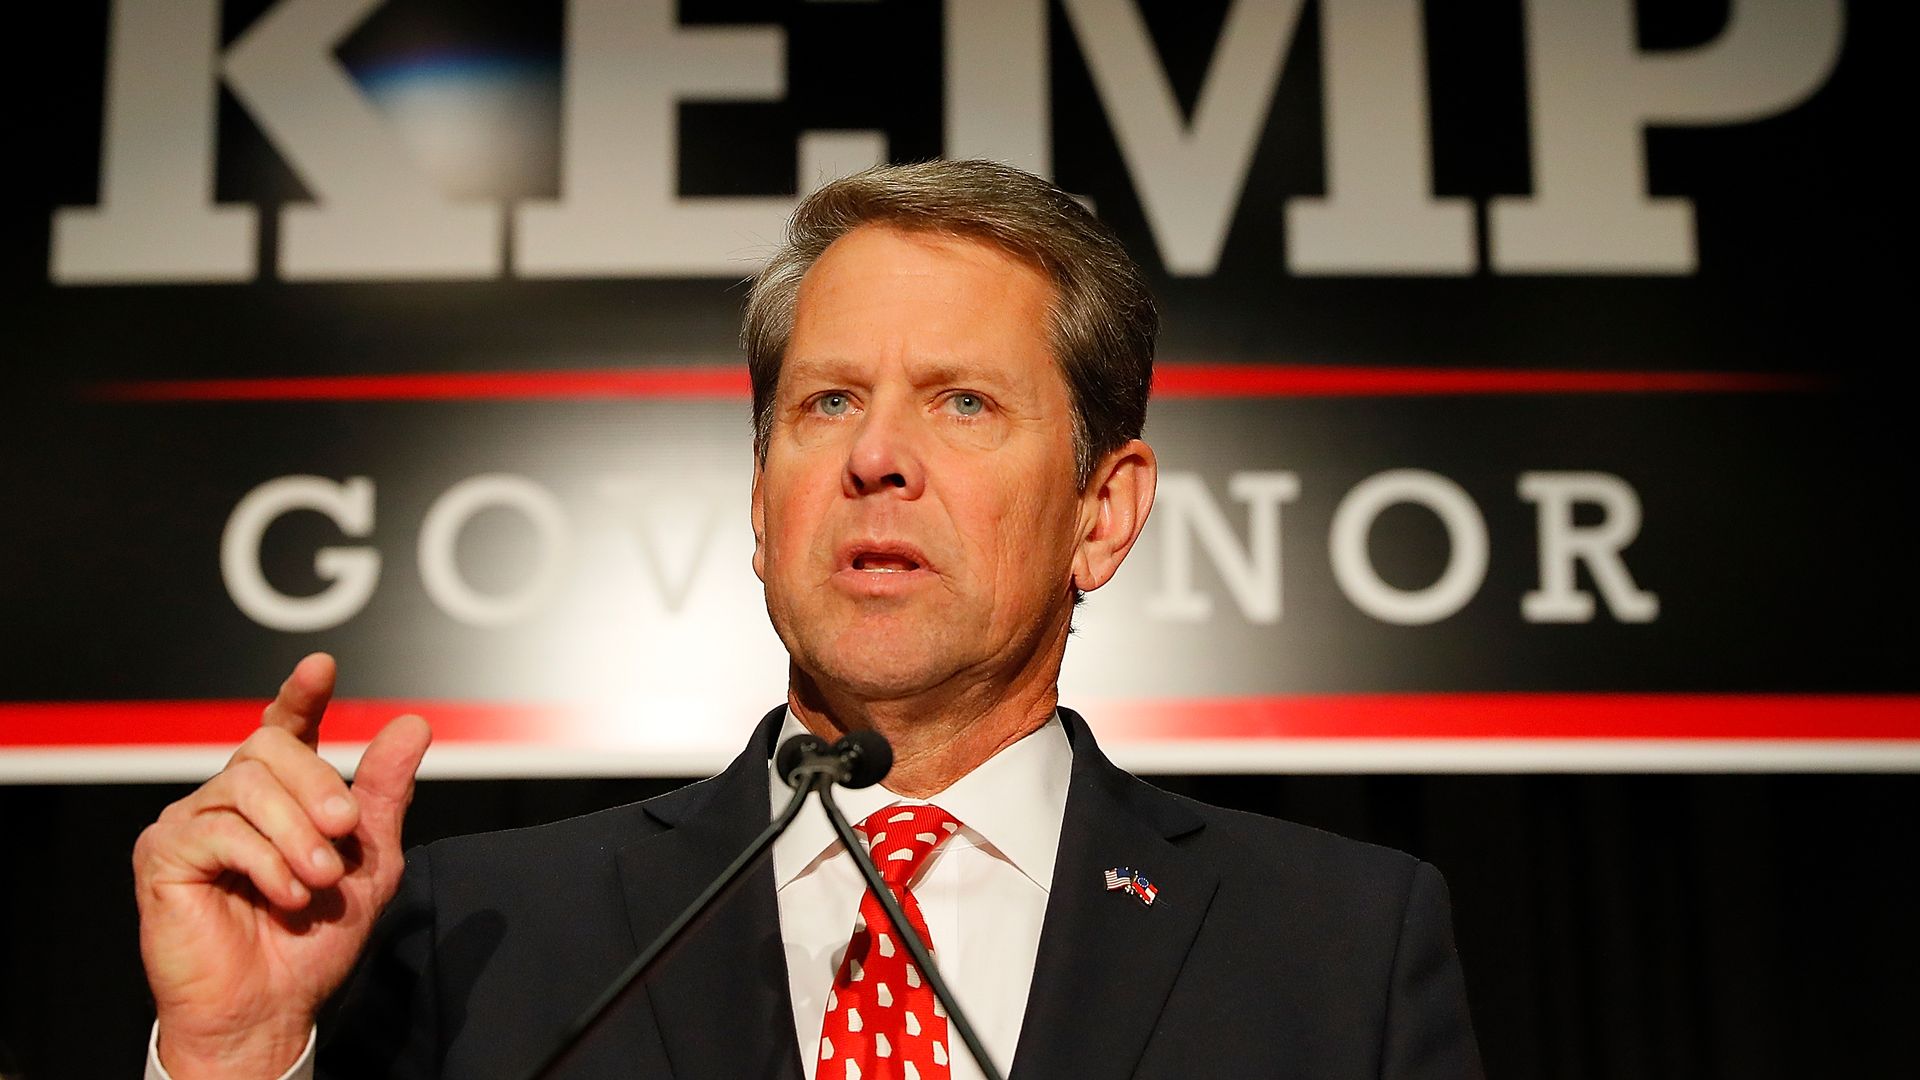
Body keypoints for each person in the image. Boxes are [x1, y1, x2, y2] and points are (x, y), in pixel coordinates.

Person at [136, 160, 1484, 1079]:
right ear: (764, 499)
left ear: (1104, 512)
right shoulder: (480, 938)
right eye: (828, 402)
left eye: (963, 402)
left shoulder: (1336, 948)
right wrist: (233, 1060)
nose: (875, 459)